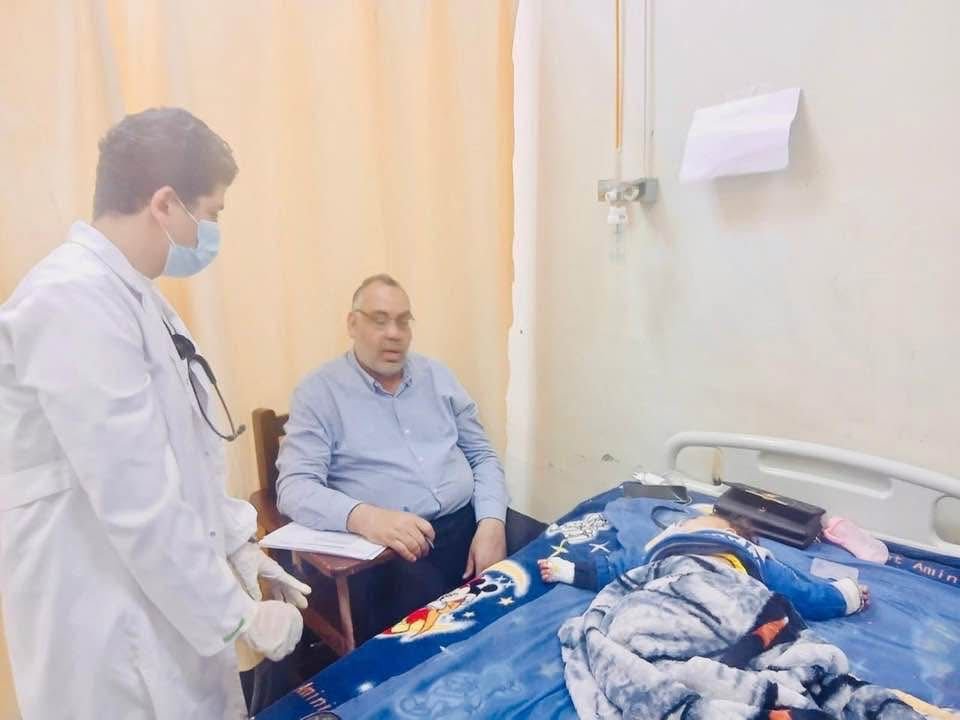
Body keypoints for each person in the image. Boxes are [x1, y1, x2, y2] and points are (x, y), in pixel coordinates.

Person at [0, 108, 309, 719]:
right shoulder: (70, 301)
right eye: (211, 213)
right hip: (103, 631)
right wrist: (239, 615)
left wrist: (240, 546)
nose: (212, 231)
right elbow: (135, 497)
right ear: (165, 203)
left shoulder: (139, 300)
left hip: (160, 607)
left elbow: (186, 458)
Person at [276, 273, 509, 637]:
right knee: (435, 646)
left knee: (542, 588)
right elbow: (294, 488)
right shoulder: (319, 393)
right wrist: (365, 518)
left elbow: (482, 456)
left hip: (469, 525)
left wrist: (492, 523)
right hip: (391, 553)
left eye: (403, 321)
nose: (394, 333)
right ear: (352, 324)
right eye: (379, 320)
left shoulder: (438, 376)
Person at [539, 513, 870, 620]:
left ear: (730, 533)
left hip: (724, 591)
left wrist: (842, 595)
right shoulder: (661, 549)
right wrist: (570, 570)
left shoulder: (748, 555)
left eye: (698, 519)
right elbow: (617, 568)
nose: (685, 523)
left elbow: (799, 592)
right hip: (670, 589)